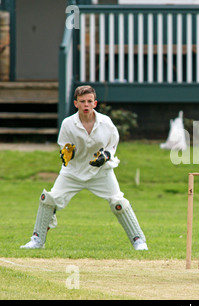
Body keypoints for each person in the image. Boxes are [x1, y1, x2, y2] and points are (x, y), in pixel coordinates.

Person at [20, 85, 148, 251]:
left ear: (95, 103)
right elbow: (64, 146)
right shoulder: (68, 124)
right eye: (82, 101)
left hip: (101, 172)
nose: (86, 105)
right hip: (72, 172)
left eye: (89, 101)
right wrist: (66, 153)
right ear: (76, 103)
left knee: (118, 203)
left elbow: (113, 144)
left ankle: (138, 241)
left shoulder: (106, 123)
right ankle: (37, 240)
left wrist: (105, 157)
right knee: (48, 199)